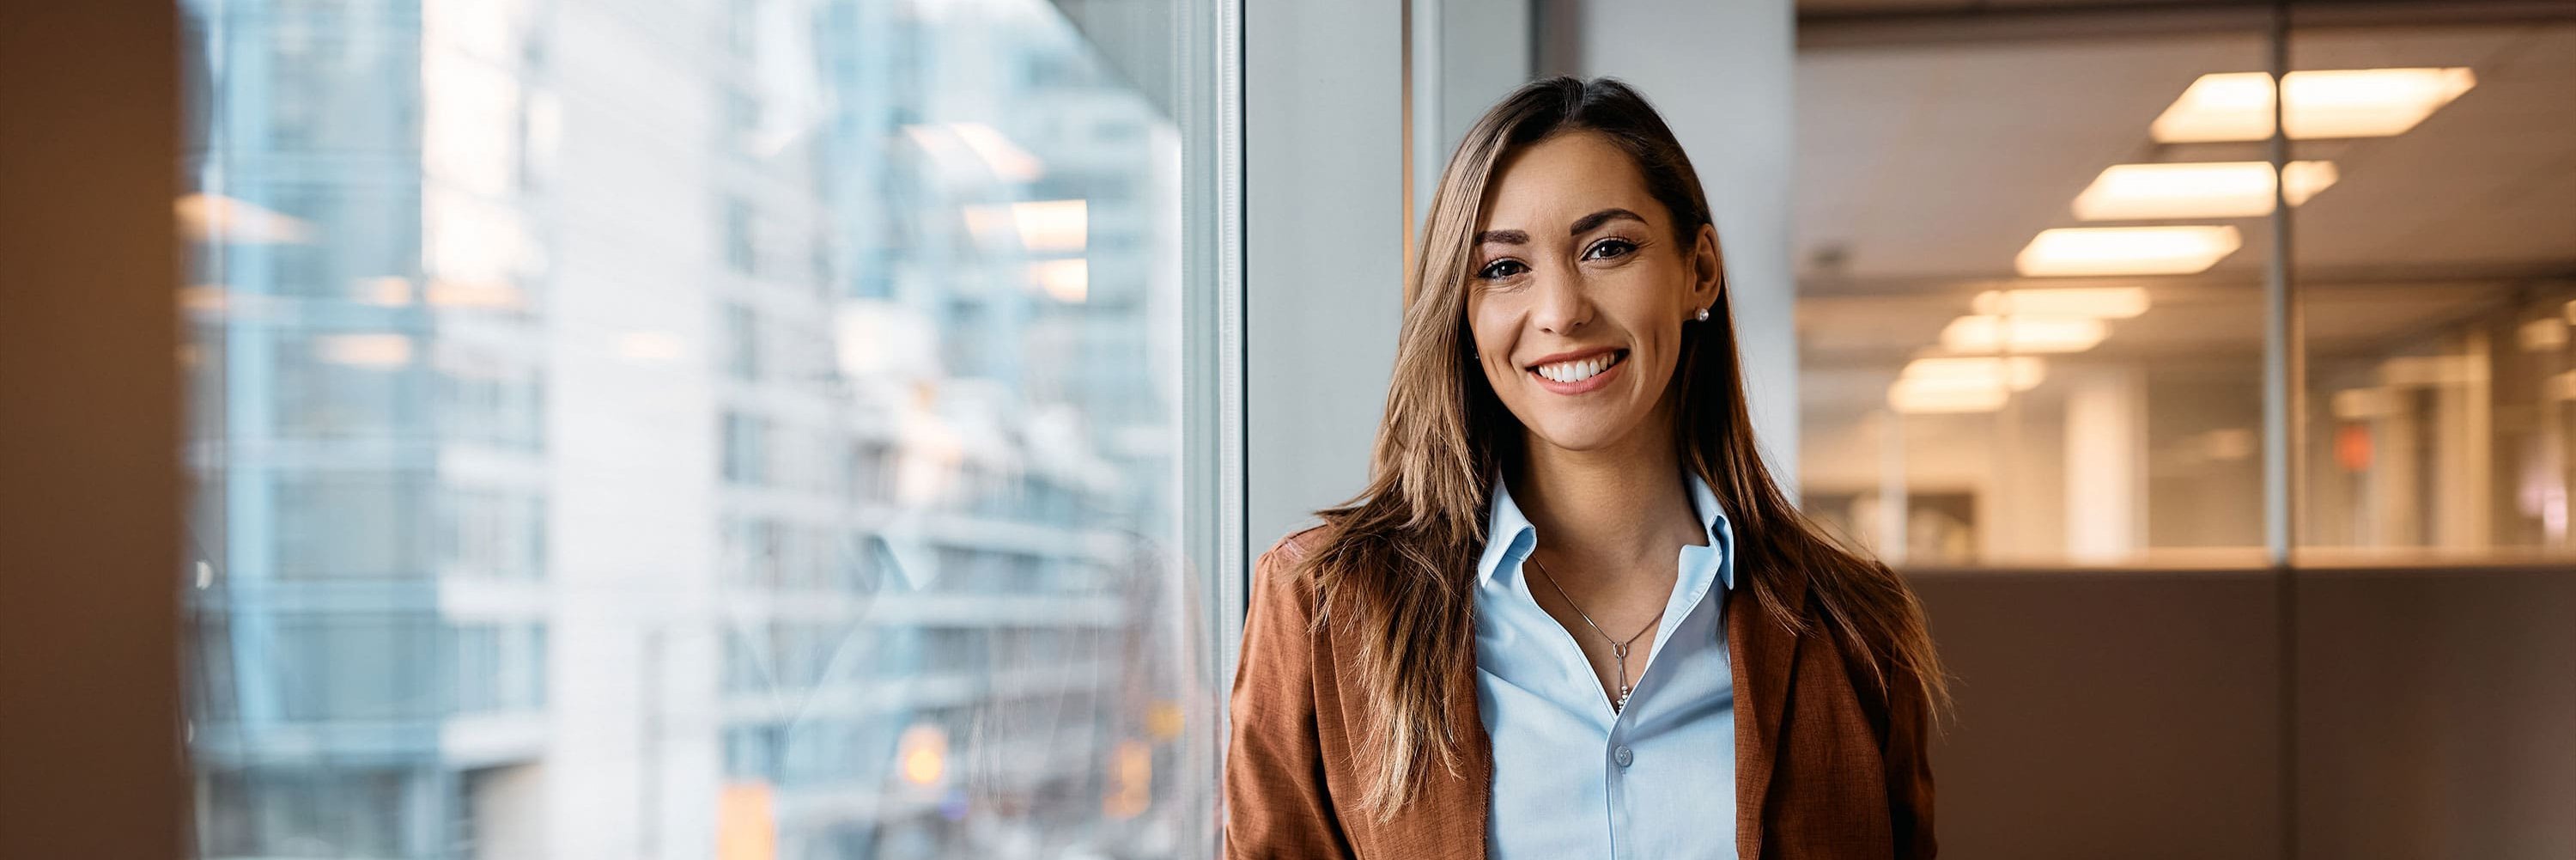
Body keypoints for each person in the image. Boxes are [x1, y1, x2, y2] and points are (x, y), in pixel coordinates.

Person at [1224, 76, 1945, 859]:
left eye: (1608, 249)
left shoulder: (1854, 627)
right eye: (1503, 268)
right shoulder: (1324, 608)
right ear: (1462, 311)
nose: (1562, 310)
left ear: (1699, 270)